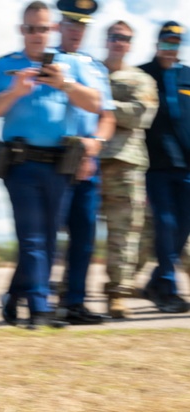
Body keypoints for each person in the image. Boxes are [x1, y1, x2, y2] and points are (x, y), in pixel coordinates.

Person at [0, 0, 102, 328]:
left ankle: (14, 297)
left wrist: (65, 84)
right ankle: (40, 310)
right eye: (31, 28)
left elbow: (97, 104)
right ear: (22, 30)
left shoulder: (69, 67)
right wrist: (14, 92)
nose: (36, 34)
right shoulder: (5, 66)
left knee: (46, 239)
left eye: (43, 28)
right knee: (33, 238)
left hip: (60, 166)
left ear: (53, 29)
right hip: (21, 165)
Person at [52, 0, 115, 325]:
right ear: (59, 24)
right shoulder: (47, 60)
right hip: (52, 161)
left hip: (86, 163)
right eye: (71, 23)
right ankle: (36, 299)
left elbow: (107, 116)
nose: (76, 30)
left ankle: (74, 302)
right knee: (45, 237)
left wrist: (95, 146)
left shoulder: (96, 68)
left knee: (84, 238)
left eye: (82, 25)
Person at [100, 20, 158, 318]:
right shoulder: (90, 71)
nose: (119, 42)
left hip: (127, 162)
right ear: (106, 40)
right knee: (76, 230)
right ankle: (68, 292)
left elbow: (140, 116)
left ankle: (117, 295)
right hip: (88, 160)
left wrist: (101, 104)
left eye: (124, 38)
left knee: (126, 232)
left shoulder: (141, 79)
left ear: (131, 43)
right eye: (114, 37)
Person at [137, 21, 190, 314]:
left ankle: (156, 281)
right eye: (166, 42)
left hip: (186, 166)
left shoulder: (188, 76)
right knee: (166, 224)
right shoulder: (143, 74)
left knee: (183, 227)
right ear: (157, 44)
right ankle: (167, 289)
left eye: (176, 43)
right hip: (155, 166)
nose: (171, 48)